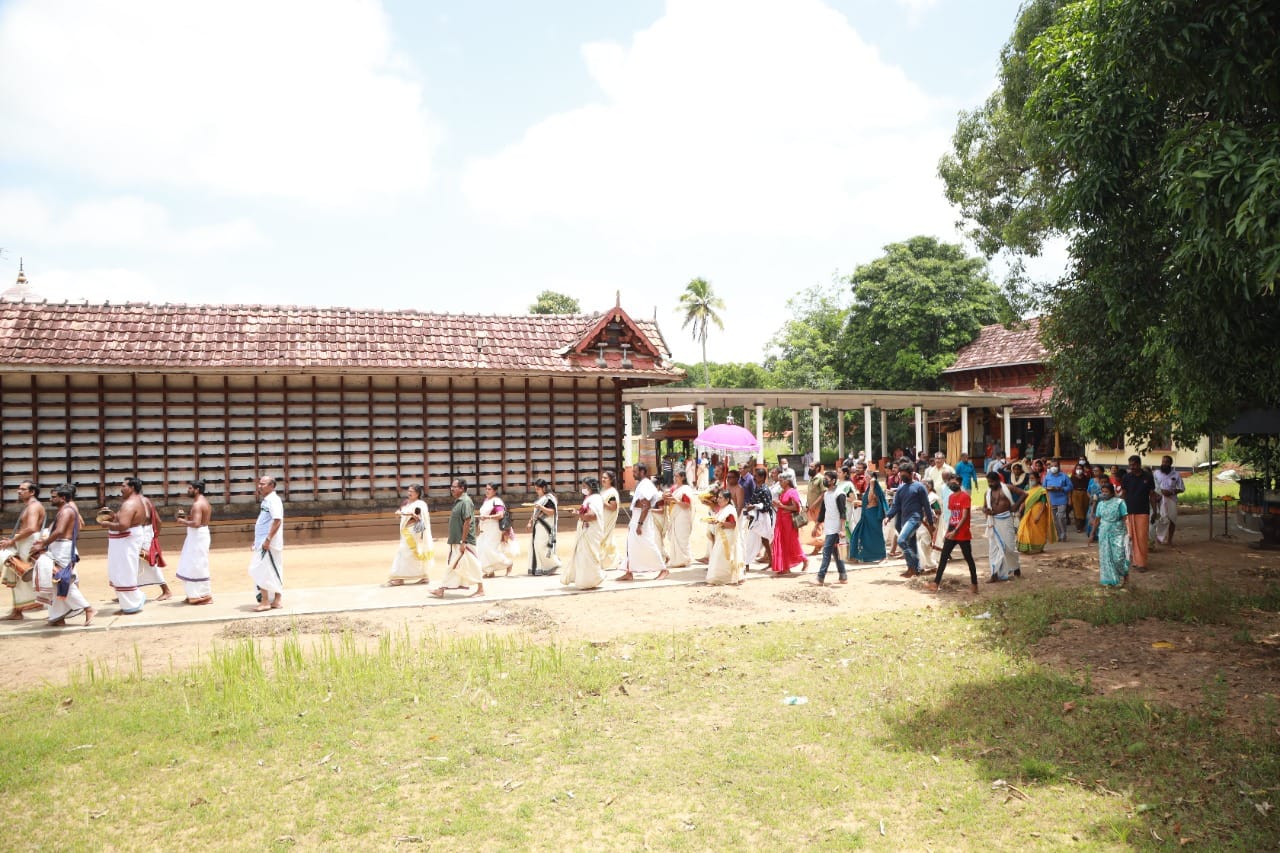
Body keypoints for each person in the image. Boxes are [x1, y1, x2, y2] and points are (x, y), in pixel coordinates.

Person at [31, 484, 93, 626]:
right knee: (56, 582)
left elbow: (59, 531)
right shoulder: (63, 510)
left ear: (63, 498)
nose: (51, 499)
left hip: (63, 548)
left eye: (54, 497)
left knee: (60, 580)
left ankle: (87, 608)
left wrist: (43, 544)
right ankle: (57, 617)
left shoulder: (67, 511)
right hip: (59, 547)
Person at [103, 476, 148, 614]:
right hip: (131, 537)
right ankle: (133, 599)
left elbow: (123, 525)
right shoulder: (139, 501)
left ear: (132, 487)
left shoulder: (129, 504)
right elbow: (124, 519)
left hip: (127, 539)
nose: (121, 489)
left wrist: (107, 524)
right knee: (127, 568)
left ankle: (131, 603)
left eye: (124, 486)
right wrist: (112, 516)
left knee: (124, 570)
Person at [926, 475, 979, 595]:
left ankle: (974, 584)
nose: (951, 484)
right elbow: (952, 516)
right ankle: (936, 583)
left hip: (962, 532)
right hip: (952, 531)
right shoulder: (951, 497)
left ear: (959, 483)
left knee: (968, 558)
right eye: (950, 482)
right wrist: (949, 531)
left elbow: (964, 516)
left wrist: (956, 530)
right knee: (943, 557)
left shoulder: (965, 496)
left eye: (953, 482)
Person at [432, 478, 484, 598]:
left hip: (465, 541)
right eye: (452, 486)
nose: (452, 489)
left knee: (471, 564)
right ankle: (442, 588)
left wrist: (463, 541)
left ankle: (481, 589)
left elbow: (467, 521)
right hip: (457, 540)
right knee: (454, 565)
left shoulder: (465, 501)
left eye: (454, 487)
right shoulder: (459, 501)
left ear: (462, 488)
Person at [1, 480, 45, 620]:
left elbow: (31, 528)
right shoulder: (30, 506)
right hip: (24, 541)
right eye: (18, 489)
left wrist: (12, 541)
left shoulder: (33, 507)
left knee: (24, 572)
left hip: (29, 542)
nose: (19, 491)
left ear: (32, 492)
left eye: (22, 489)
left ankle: (43, 604)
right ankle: (17, 611)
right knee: (18, 573)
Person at [618, 462, 668, 581]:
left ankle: (663, 569)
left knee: (648, 544)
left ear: (642, 472)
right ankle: (629, 572)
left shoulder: (646, 485)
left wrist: (640, 524)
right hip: (637, 516)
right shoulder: (642, 484)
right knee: (631, 545)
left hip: (642, 519)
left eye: (635, 472)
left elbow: (646, 506)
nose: (633, 474)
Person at [886, 463, 934, 579]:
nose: (902, 476)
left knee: (902, 540)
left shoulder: (919, 487)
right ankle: (916, 570)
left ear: (911, 474)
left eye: (904, 474)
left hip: (915, 519)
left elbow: (927, 506)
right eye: (900, 474)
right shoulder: (901, 489)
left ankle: (912, 566)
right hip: (904, 520)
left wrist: (931, 523)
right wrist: (888, 517)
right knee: (911, 544)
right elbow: (896, 505)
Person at [248, 475, 285, 611]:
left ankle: (265, 601)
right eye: (259, 484)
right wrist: (257, 540)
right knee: (272, 569)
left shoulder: (274, 500)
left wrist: (268, 539)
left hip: (269, 542)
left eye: (263, 484)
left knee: (260, 569)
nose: (259, 486)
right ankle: (276, 600)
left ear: (271, 486)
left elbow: (277, 520)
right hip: (263, 541)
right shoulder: (267, 500)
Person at [174, 479, 214, 604]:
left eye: (190, 488)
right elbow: (199, 521)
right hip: (199, 535)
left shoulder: (197, 504)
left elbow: (196, 523)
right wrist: (187, 518)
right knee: (194, 563)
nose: (188, 490)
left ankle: (203, 595)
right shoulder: (203, 502)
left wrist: (182, 521)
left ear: (197, 490)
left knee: (196, 564)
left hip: (198, 536)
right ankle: (194, 594)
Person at [563, 477, 605, 590]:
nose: (583, 489)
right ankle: (586, 580)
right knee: (583, 556)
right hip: (585, 530)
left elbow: (592, 516)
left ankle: (591, 580)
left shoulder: (595, 499)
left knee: (589, 556)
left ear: (591, 487)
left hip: (590, 531)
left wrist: (577, 514)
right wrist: (577, 512)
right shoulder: (589, 498)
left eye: (585, 487)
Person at [388, 483, 433, 586]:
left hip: (413, 531)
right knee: (410, 553)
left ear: (417, 493)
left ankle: (400, 577)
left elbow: (419, 518)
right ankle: (424, 575)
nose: (409, 493)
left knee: (404, 551)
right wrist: (400, 513)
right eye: (408, 491)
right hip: (404, 531)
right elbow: (399, 512)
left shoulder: (420, 504)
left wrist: (408, 514)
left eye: (411, 491)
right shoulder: (406, 503)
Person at [982, 471, 1024, 581]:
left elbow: (1024, 494)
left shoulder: (1007, 488)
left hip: (1006, 520)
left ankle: (1015, 567)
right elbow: (984, 507)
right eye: (988, 482)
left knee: (1009, 547)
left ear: (998, 481)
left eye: (991, 482)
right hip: (994, 522)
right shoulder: (987, 492)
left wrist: (1016, 505)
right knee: (994, 549)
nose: (990, 484)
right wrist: (986, 510)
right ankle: (994, 574)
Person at [134, 483, 172, 601]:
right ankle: (127, 591)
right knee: (132, 562)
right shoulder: (138, 501)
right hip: (141, 533)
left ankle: (166, 590)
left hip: (144, 534)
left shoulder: (143, 501)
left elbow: (157, 521)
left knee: (148, 561)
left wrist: (154, 536)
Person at [1119, 455, 1156, 572]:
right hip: (1129, 511)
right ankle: (1135, 560)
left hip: (1143, 511)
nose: (1132, 467)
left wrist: (1155, 511)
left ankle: (1142, 564)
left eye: (1134, 465)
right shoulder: (1126, 477)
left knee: (1141, 538)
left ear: (1139, 464)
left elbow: (1152, 495)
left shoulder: (1148, 477)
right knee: (1131, 537)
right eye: (1130, 465)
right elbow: (1123, 494)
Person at [1091, 481, 1130, 587]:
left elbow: (1125, 518)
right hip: (1104, 533)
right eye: (1102, 492)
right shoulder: (1100, 504)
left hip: (1118, 532)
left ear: (1112, 492)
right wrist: (1092, 533)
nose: (1103, 494)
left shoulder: (1120, 502)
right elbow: (1097, 519)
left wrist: (1129, 532)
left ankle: (1125, 573)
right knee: (1106, 556)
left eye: (1106, 492)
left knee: (1118, 556)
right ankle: (1110, 580)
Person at [770, 472, 808, 575]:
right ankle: (785, 567)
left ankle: (804, 559)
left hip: (789, 521)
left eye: (781, 481)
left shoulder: (792, 492)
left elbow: (796, 508)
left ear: (787, 481)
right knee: (782, 543)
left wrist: (781, 506)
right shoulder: (782, 492)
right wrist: (777, 505)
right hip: (780, 519)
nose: (780, 483)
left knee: (791, 542)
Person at [814, 471, 847, 586]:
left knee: (826, 551)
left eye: (827, 479)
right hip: (829, 526)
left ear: (833, 480)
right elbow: (823, 511)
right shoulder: (826, 494)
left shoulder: (840, 494)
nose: (825, 481)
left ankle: (820, 577)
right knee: (835, 552)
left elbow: (843, 513)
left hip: (836, 528)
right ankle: (843, 576)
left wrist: (842, 529)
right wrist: (816, 525)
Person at [705, 489, 744, 585]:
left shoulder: (730, 510)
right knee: (719, 556)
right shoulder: (722, 509)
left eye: (720, 498)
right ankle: (720, 577)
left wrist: (720, 523)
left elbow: (733, 524)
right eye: (718, 497)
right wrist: (714, 521)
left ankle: (725, 578)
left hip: (727, 537)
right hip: (721, 536)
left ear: (727, 500)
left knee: (722, 556)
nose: (718, 499)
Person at [476, 483, 513, 578]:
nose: (487, 491)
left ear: (495, 491)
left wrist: (488, 517)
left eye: (489, 489)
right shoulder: (486, 500)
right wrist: (480, 526)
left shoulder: (497, 501)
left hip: (494, 528)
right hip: (485, 528)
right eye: (486, 489)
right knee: (481, 549)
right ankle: (490, 571)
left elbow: (500, 515)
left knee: (490, 549)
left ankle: (508, 563)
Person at [849, 471, 888, 563]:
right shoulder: (868, 488)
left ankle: (883, 556)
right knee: (859, 534)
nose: (865, 478)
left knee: (877, 536)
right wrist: (859, 503)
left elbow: (872, 499)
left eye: (867, 476)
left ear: (872, 478)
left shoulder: (873, 487)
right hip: (866, 515)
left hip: (873, 515)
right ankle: (858, 556)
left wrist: (872, 482)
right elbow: (867, 502)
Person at [740, 469, 775, 566]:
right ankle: (746, 563)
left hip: (763, 518)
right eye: (754, 475)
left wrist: (754, 506)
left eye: (756, 476)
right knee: (752, 540)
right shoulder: (757, 488)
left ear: (762, 477)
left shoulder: (765, 490)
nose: (754, 478)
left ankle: (771, 561)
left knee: (764, 539)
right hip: (755, 518)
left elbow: (767, 506)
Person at [527, 479, 561, 576]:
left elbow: (551, 512)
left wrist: (540, 507)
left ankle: (553, 564)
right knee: (536, 545)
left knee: (541, 546)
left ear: (544, 488)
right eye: (536, 489)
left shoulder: (549, 498)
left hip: (546, 526)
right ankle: (540, 567)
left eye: (538, 489)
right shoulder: (540, 499)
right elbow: (535, 513)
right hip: (538, 525)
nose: (536, 491)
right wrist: (530, 522)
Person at [1016, 471, 1055, 554]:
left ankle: (1038, 548)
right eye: (1030, 479)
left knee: (1038, 532)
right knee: (1024, 529)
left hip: (1038, 515)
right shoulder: (1027, 489)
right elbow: (1023, 502)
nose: (1031, 480)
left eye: (1033, 478)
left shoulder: (1041, 490)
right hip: (1028, 514)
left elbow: (1044, 504)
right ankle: (1027, 548)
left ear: (1038, 479)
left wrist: (1038, 516)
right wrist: (1019, 511)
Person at [665, 470, 697, 568]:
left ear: (683, 477)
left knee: (682, 537)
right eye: (674, 476)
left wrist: (676, 500)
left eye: (677, 476)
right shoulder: (675, 488)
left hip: (683, 516)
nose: (675, 478)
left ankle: (685, 559)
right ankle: (676, 560)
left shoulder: (686, 489)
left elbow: (687, 505)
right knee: (675, 537)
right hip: (674, 515)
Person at [1152, 455, 1186, 546]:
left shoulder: (1176, 474)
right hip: (1159, 499)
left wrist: (1172, 492)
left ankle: (1169, 540)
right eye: (1163, 462)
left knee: (1172, 520)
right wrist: (1159, 493)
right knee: (1161, 519)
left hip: (1172, 499)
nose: (1164, 464)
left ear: (1171, 463)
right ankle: (1159, 537)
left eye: (1167, 462)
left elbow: (1182, 488)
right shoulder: (1156, 473)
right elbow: (1153, 487)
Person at [1042, 464, 1073, 542]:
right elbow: (1043, 487)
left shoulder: (1064, 476)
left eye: (1055, 466)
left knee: (1061, 517)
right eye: (1052, 466)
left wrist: (1061, 488)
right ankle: (1058, 535)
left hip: (1062, 499)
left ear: (1058, 467)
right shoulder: (1047, 476)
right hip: (1051, 500)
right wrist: (1048, 489)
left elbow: (1070, 486)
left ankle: (1063, 534)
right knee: (1055, 519)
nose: (1053, 467)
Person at [598, 471, 621, 570]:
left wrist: (602, 502)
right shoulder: (602, 490)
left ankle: (611, 562)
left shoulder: (612, 492)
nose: (603, 479)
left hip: (608, 518)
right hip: (601, 518)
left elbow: (613, 507)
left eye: (606, 478)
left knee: (607, 539)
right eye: (602, 477)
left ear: (611, 480)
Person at [1070, 459, 1092, 533]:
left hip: (1084, 493)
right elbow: (1070, 489)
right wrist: (1069, 498)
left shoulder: (1086, 478)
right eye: (1077, 468)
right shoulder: (1072, 478)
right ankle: (1079, 527)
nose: (1079, 470)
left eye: (1080, 468)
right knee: (1077, 510)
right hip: (1075, 493)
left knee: (1084, 509)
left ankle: (1083, 526)